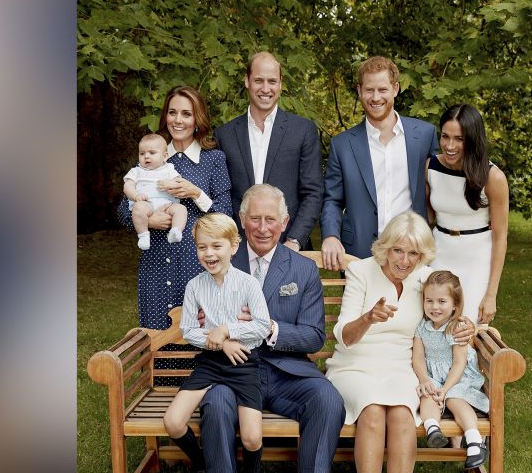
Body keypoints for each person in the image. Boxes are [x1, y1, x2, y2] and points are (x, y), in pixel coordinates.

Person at [199, 184, 346, 473]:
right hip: (232, 370)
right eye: (254, 218)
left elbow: (314, 336)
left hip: (285, 371)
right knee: (215, 404)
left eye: (270, 219)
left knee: (327, 398)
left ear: (284, 223)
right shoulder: (221, 260)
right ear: (241, 221)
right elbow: (201, 315)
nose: (262, 228)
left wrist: (268, 328)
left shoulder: (302, 269)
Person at [326, 211, 473, 473]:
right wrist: (368, 318)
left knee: (404, 416)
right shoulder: (361, 271)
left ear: (423, 256)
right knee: (373, 411)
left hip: (401, 366)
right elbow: (343, 335)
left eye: (414, 254)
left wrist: (466, 326)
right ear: (385, 248)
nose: (404, 261)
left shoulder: (425, 280)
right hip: (355, 362)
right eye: (398, 251)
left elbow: (452, 308)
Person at [162, 213, 272, 473]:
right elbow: (189, 331)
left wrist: (225, 330)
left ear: (233, 246)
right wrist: (217, 343)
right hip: (211, 362)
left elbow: (260, 327)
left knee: (253, 438)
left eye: (216, 246)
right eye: (202, 247)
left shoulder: (248, 284)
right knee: (173, 422)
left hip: (244, 364)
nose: (209, 253)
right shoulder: (195, 286)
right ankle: (206, 466)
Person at [116, 85, 232, 329]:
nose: (178, 120)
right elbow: (122, 210)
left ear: (197, 119)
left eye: (186, 114)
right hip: (155, 260)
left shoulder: (214, 159)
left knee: (199, 333)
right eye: (172, 112)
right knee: (156, 333)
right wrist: (147, 221)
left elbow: (225, 214)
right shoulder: (151, 155)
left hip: (196, 261)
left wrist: (196, 193)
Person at [320, 56, 438, 270]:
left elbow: (440, 187)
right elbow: (333, 200)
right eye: (369, 90)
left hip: (413, 253)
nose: (375, 97)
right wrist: (330, 235)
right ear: (359, 90)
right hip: (359, 253)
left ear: (395, 88)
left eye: (382, 89)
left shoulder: (424, 136)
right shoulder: (342, 144)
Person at [215, 52, 322, 250]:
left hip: (289, 247)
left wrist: (295, 240)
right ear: (247, 81)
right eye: (258, 80)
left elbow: (313, 193)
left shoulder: (303, 130)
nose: (265, 89)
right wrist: (232, 240)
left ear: (280, 83)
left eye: (272, 81)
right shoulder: (224, 135)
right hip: (239, 250)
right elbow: (222, 195)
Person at [426, 104, 509, 323]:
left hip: (476, 260)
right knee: (434, 326)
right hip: (439, 255)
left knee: (468, 329)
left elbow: (500, 237)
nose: (450, 145)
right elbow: (426, 219)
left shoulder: (493, 177)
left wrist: (491, 295)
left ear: (472, 139)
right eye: (445, 136)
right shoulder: (430, 167)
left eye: (459, 139)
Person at [414, 270, 491, 469]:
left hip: (458, 378)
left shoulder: (456, 327)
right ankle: (433, 429)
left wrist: (446, 389)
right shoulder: (422, 327)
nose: (434, 307)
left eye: (442, 301)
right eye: (429, 301)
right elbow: (418, 359)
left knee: (455, 399)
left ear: (455, 304)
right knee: (427, 394)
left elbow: (459, 364)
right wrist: (425, 379)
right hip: (434, 376)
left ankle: (474, 441)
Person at [122, 133, 188, 250]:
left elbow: (180, 183)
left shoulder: (169, 169)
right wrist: (136, 195)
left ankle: (176, 230)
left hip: (168, 204)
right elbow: (128, 186)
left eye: (152, 153)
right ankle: (143, 235)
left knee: (181, 209)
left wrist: (171, 184)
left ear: (165, 156)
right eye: (142, 153)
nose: (146, 156)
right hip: (146, 204)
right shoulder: (136, 171)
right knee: (138, 209)